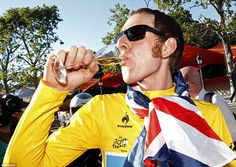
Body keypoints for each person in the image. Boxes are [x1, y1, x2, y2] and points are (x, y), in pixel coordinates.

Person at [3, 8, 236, 166]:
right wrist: (52, 89)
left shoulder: (208, 115)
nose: (120, 43)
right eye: (120, 36)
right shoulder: (101, 110)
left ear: (167, 47)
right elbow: (20, 163)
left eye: (134, 33)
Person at [180, 66, 236, 142]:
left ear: (189, 85)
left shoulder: (214, 100)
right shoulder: (186, 104)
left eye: (179, 84)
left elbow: (233, 129)